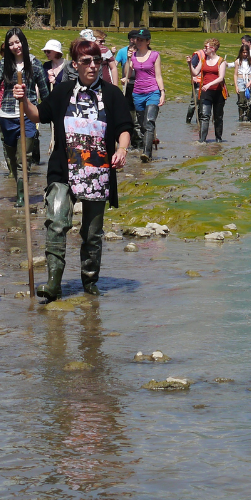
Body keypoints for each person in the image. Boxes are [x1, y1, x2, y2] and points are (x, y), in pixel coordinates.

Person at [15, 38, 133, 301]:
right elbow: (38, 115)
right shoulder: (63, 90)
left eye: (97, 61)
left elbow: (125, 128)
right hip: (63, 168)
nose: (93, 66)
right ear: (75, 64)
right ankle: (53, 284)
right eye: (86, 61)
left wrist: (122, 149)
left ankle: (90, 283)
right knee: (56, 222)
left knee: (92, 233)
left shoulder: (113, 94)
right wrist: (24, 100)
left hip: (98, 171)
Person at [0, 27, 49, 207]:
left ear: (24, 42)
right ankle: (18, 185)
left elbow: (45, 94)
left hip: (28, 115)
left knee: (23, 158)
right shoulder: (4, 64)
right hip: (7, 115)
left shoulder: (35, 64)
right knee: (11, 154)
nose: (15, 46)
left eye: (18, 42)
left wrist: (45, 112)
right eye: (11, 44)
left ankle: (21, 195)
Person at [125, 27, 165, 161]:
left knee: (149, 122)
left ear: (148, 41)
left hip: (152, 92)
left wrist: (162, 93)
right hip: (137, 93)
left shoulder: (155, 55)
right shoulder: (134, 56)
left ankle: (146, 153)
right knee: (142, 125)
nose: (138, 41)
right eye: (137, 39)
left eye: (141, 40)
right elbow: (128, 74)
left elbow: (158, 76)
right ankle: (146, 146)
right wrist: (128, 59)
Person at [192, 38, 227, 143]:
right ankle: (202, 140)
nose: (204, 49)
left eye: (206, 47)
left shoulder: (221, 61)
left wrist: (209, 84)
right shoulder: (203, 60)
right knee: (204, 116)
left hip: (218, 92)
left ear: (213, 49)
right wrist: (190, 63)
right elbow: (194, 72)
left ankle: (218, 139)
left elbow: (221, 78)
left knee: (218, 117)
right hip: (206, 92)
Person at [233, 42, 251, 122]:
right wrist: (236, 86)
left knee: (249, 101)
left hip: (249, 80)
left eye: (246, 52)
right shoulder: (237, 61)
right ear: (241, 52)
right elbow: (235, 74)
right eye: (243, 52)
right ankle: (241, 118)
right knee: (241, 100)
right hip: (240, 80)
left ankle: (249, 118)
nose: (245, 54)